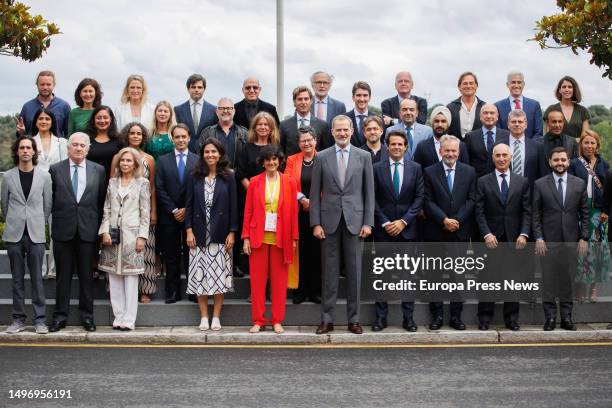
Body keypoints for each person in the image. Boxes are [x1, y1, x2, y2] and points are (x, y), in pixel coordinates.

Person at [310, 115, 375, 335]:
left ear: (352, 130)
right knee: (329, 273)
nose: (342, 133)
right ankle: (327, 319)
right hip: (328, 223)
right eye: (338, 130)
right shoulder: (321, 157)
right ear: (332, 132)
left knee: (355, 274)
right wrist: (316, 223)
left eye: (346, 130)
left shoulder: (364, 156)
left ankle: (354, 320)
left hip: (355, 223)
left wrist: (368, 222)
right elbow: (315, 194)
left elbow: (369, 193)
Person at [48, 132, 106, 332]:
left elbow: (100, 202)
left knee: (86, 277)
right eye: (75, 145)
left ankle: (87, 317)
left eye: (82, 145)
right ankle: (59, 317)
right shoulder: (55, 170)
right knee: (62, 277)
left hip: (87, 231)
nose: (79, 148)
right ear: (68, 147)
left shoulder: (98, 170)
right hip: (63, 230)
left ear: (88, 148)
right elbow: (51, 200)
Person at [371, 130, 424, 332]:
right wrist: (385, 223)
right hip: (383, 231)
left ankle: (408, 318)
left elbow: (419, 198)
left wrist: (403, 222)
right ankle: (380, 318)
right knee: (382, 275)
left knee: (407, 276)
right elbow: (372, 198)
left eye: (400, 144)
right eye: (393, 144)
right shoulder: (376, 168)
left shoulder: (416, 168)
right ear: (387, 146)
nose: (396, 147)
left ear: (406, 147)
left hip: (408, 231)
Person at [474, 144, 531, 331]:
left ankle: (512, 319)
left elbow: (527, 211)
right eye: (497, 155)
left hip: (515, 239)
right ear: (493, 158)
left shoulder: (522, 182)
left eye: (504, 155)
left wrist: (524, 234)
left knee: (513, 280)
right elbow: (479, 211)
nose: (501, 158)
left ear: (510, 157)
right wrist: (486, 234)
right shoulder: (482, 181)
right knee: (488, 280)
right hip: (491, 239)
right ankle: (484, 319)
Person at [242, 145, 298, 334]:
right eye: (268, 160)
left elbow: (293, 213)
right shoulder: (255, 181)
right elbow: (248, 211)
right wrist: (246, 238)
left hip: (281, 238)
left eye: (275, 159)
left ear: (280, 161)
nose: (271, 163)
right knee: (257, 282)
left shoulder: (289, 181)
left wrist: (294, 237)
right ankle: (258, 320)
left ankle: (276, 320)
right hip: (258, 237)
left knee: (279, 282)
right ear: (262, 162)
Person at [423, 135, 477, 330]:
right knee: (434, 276)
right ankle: (436, 316)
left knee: (458, 276)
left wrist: (457, 220)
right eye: (447, 150)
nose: (450, 154)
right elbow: (427, 200)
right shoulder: (429, 172)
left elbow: (472, 199)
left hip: (459, 232)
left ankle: (456, 316)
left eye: (454, 151)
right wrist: (444, 220)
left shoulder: (470, 172)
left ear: (459, 152)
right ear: (440, 151)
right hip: (436, 231)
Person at [533, 147, 589, 331]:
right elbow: (535, 214)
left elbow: (585, 213)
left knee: (567, 281)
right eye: (556, 160)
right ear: (550, 162)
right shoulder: (540, 184)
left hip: (572, 240)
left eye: (563, 160)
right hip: (548, 241)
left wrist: (584, 237)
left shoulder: (579, 183)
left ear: (568, 161)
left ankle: (566, 318)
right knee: (548, 281)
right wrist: (539, 237)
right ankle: (550, 318)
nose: (560, 163)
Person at [186, 138, 238, 330]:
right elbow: (189, 205)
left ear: (220, 154)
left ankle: (216, 316)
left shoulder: (229, 176)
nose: (210, 155)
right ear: (202, 154)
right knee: (200, 276)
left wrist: (232, 232)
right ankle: (203, 317)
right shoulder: (194, 175)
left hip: (220, 234)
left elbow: (234, 206)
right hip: (198, 234)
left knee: (218, 276)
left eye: (214, 152)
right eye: (207, 152)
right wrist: (189, 230)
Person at [2, 136, 52, 334]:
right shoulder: (7, 176)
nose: (25, 151)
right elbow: (4, 205)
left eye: (28, 148)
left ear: (34, 152)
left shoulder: (44, 177)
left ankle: (40, 320)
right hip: (14, 233)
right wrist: (15, 221)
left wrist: (37, 221)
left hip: (36, 233)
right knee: (16, 279)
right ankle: (18, 320)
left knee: (37, 279)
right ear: (17, 151)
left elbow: (47, 205)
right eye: (21, 147)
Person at [98, 148, 151, 330]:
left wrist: (142, 236)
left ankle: (129, 319)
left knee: (130, 279)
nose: (125, 164)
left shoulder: (142, 183)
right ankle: (118, 316)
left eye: (129, 161)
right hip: (112, 237)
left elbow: (145, 213)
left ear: (135, 164)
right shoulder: (112, 183)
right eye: (122, 161)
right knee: (114, 277)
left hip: (132, 236)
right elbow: (106, 209)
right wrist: (104, 230)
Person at [111, 123, 158, 303]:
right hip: (122, 213)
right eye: (132, 133)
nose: (136, 136)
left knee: (145, 251)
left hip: (143, 211)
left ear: (143, 137)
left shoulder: (149, 159)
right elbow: (112, 185)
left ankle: (145, 290)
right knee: (120, 250)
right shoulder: (119, 157)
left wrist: (154, 211)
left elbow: (152, 187)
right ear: (127, 135)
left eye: (139, 133)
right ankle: (119, 290)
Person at [155, 124, 198, 303]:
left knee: (192, 254)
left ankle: (194, 290)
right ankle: (172, 292)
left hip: (192, 215)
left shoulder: (198, 160)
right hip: (169, 216)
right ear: (172, 139)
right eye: (177, 137)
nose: (180, 140)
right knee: (171, 255)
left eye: (183, 136)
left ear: (189, 138)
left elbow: (199, 188)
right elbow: (159, 187)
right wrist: (173, 209)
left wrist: (187, 209)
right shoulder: (163, 161)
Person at [569, 130, 610, 303]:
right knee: (581, 252)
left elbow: (609, 191)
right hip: (578, 211)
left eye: (592, 143)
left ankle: (593, 289)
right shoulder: (574, 164)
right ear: (581, 145)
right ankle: (580, 288)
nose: (589, 146)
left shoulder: (603, 164)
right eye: (586, 143)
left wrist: (606, 211)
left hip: (597, 214)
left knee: (597, 251)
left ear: (597, 145)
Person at [285, 127, 322, 304]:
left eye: (309, 140)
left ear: (315, 141)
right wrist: (302, 199)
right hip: (298, 212)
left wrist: (313, 202)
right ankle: (300, 290)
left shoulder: (323, 158)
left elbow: (329, 184)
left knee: (316, 252)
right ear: (298, 143)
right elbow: (287, 182)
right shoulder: (292, 160)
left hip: (320, 212)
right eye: (303, 141)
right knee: (300, 252)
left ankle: (315, 290)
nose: (306, 143)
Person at [30, 108, 68, 279]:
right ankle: (40, 267)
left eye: (47, 119)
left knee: (55, 231)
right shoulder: (30, 141)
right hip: (35, 190)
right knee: (37, 230)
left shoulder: (61, 142)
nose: (44, 121)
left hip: (57, 190)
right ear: (36, 122)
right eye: (40, 119)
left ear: (52, 121)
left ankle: (52, 268)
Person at [16, 70, 71, 139]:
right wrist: (21, 133)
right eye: (42, 84)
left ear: (54, 85)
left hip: (57, 148)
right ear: (37, 85)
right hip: (33, 148)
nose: (45, 87)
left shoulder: (64, 106)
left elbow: (68, 134)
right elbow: (21, 136)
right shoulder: (27, 107)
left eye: (48, 84)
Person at [280, 86, 331, 156]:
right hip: (292, 166)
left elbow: (325, 151)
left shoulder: (322, 125)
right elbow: (281, 150)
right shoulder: (284, 125)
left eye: (306, 99)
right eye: (300, 99)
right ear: (294, 102)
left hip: (315, 166)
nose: (303, 102)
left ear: (311, 101)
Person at [198, 97, 247, 169]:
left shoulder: (244, 133)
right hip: (214, 177)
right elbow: (201, 157)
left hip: (238, 178)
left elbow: (248, 158)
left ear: (234, 111)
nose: (225, 111)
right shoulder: (207, 133)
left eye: (229, 108)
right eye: (222, 108)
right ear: (217, 111)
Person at [174, 74, 218, 153]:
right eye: (193, 87)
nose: (196, 90)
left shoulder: (214, 110)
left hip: (206, 154)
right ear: (188, 89)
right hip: (185, 152)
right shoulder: (178, 110)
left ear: (204, 89)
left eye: (200, 87)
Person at [464, 104, 510, 178]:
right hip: (477, 181)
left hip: (501, 180)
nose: (488, 116)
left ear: (497, 117)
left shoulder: (507, 135)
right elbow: (467, 162)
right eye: (485, 113)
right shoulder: (470, 137)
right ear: (480, 117)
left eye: (492, 113)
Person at [494, 71, 543, 139]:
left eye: (519, 82)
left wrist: (529, 146)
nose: (516, 85)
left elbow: (538, 132)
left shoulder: (534, 105)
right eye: (513, 82)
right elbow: (498, 133)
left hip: (530, 147)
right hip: (505, 148)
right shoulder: (498, 106)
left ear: (523, 84)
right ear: (507, 84)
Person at [507, 109, 547, 188]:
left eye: (520, 122)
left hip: (530, 193)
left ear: (526, 125)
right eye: (513, 122)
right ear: (508, 124)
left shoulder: (538, 147)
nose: (517, 124)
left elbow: (543, 175)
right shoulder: (499, 146)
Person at [85, 105, 122, 182]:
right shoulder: (85, 139)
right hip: (89, 182)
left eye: (105, 117)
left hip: (112, 182)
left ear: (111, 119)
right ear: (93, 120)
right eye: (98, 118)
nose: (102, 121)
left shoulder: (119, 139)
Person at [447, 71, 486, 138]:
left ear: (476, 86)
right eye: (465, 83)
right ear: (459, 87)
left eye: (471, 83)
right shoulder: (450, 107)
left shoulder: (484, 107)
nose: (468, 86)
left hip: (478, 147)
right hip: (456, 146)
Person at [346, 81, 377, 147]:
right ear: (353, 98)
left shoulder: (377, 119)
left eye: (365, 95)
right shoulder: (345, 119)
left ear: (369, 98)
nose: (362, 99)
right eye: (358, 95)